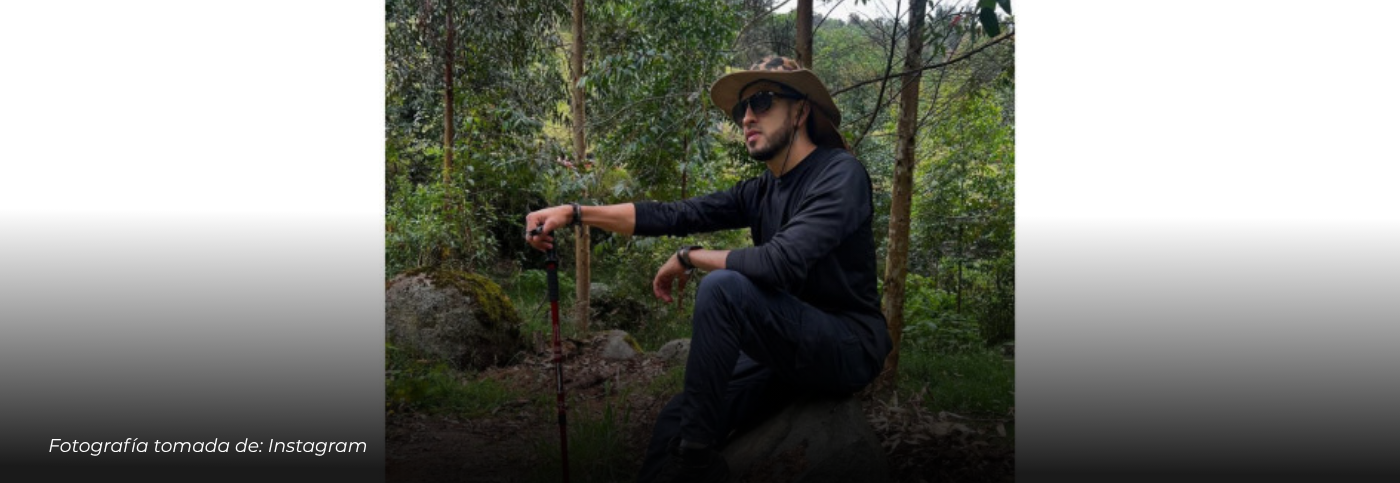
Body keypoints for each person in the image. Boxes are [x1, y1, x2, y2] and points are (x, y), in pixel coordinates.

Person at [525, 56, 891, 483]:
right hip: (788, 346)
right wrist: (573, 213)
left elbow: (779, 261)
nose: (747, 117)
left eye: (763, 101)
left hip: (847, 346)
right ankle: (683, 453)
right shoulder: (761, 191)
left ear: (801, 110)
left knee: (723, 288)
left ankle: (697, 465)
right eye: (741, 109)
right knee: (675, 420)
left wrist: (688, 257)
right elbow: (675, 214)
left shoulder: (839, 175)